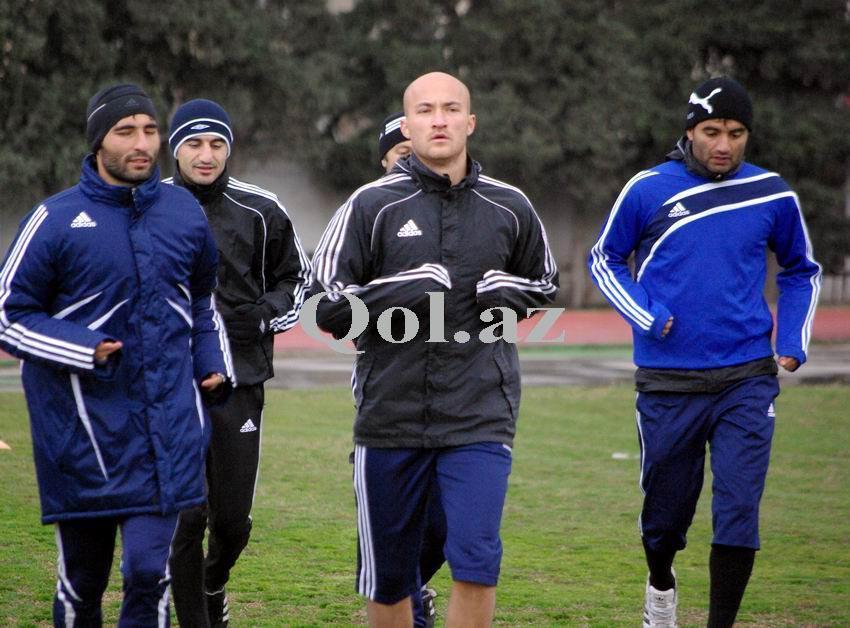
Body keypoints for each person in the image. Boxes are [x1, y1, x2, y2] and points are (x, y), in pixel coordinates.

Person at [311, 72, 558, 627]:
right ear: (407, 125)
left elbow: (544, 284)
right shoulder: (369, 205)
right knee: (390, 579)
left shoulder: (510, 206)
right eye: (425, 110)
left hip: (480, 416)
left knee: (477, 564)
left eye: (450, 109)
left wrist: (510, 292)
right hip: (390, 419)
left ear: (470, 122)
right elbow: (324, 307)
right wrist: (403, 288)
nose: (439, 120)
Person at [588, 76, 821, 627]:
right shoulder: (647, 189)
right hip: (668, 381)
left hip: (747, 377)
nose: (724, 144)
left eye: (736, 133)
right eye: (712, 131)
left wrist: (792, 340)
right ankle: (660, 585)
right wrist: (647, 314)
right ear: (690, 131)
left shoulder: (771, 192)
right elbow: (605, 259)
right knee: (665, 520)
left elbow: (801, 270)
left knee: (739, 510)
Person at [0, 83, 234, 625]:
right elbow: (9, 314)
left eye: (150, 130)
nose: (142, 143)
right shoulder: (55, 218)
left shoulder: (183, 212)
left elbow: (201, 301)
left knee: (149, 574)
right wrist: (84, 348)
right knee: (84, 582)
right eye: (126, 131)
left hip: (166, 433)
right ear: (98, 141)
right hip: (84, 438)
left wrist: (212, 363)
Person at [164, 99, 311, 627]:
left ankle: (213, 582)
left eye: (216, 144)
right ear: (175, 149)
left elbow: (298, 278)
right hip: (171, 383)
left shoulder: (260, 209)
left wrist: (264, 316)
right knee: (185, 516)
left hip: (240, 379)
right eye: (194, 143)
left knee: (230, 521)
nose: (206, 155)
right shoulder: (148, 205)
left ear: (229, 149)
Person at [376, 110, 446, 628]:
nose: (413, 161)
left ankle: (415, 584)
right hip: (389, 390)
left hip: (457, 389)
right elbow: (334, 302)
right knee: (397, 517)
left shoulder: (465, 209)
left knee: (445, 524)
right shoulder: (368, 213)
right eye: (402, 153)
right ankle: (411, 607)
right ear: (384, 161)